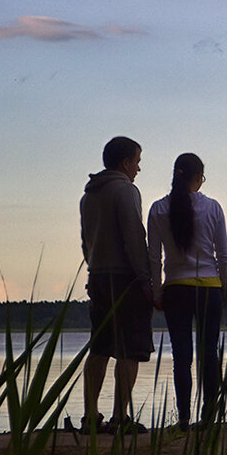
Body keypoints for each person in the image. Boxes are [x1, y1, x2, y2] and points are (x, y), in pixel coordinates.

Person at [146, 153, 227, 430]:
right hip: (209, 290)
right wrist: (224, 290)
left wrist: (157, 293)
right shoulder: (213, 208)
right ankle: (210, 417)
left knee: (181, 356)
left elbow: (154, 259)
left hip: (176, 290)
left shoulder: (158, 209)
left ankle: (183, 419)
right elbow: (224, 256)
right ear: (198, 178)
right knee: (209, 354)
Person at [80, 136, 154, 433]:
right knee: (130, 350)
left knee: (99, 347)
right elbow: (134, 237)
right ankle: (119, 417)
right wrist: (145, 280)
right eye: (137, 161)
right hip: (126, 279)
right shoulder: (126, 191)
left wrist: (93, 270)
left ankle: (89, 416)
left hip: (97, 277)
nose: (138, 168)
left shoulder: (88, 196)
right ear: (125, 162)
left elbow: (86, 241)